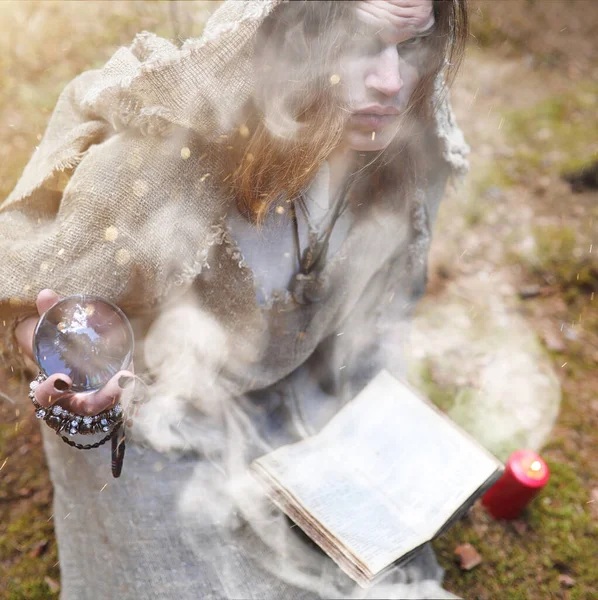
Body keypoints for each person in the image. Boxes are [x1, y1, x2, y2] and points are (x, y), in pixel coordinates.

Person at [0, 0, 470, 598]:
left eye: (410, 46)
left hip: (300, 392)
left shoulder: (409, 137)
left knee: (360, 554)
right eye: (356, 43)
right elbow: (35, 302)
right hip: (153, 409)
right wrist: (77, 381)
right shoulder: (173, 154)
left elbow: (381, 310)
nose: (390, 80)